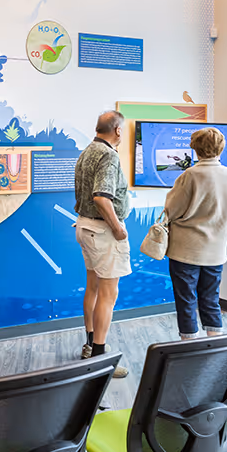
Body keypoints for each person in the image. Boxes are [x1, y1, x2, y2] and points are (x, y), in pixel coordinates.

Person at [74, 110, 131, 379]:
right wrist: (118, 228)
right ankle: (100, 359)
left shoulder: (88, 151)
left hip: (85, 226)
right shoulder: (108, 155)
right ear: (117, 130)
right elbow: (101, 197)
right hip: (103, 231)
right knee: (108, 294)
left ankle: (90, 345)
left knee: (94, 288)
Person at [164, 127, 227, 340]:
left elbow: (172, 209)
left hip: (186, 249)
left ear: (194, 148)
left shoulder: (190, 175)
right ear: (220, 148)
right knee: (211, 298)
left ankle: (189, 347)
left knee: (186, 300)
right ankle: (214, 344)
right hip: (216, 250)